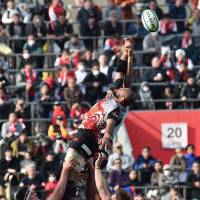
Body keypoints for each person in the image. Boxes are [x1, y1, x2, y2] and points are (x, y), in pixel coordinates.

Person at [64, 39, 134, 187]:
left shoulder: (118, 109)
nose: (119, 88)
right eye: (121, 88)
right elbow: (120, 72)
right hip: (90, 130)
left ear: (122, 98)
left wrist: (106, 137)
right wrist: (126, 52)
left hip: (99, 138)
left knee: (86, 171)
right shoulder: (114, 93)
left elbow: (110, 123)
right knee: (75, 170)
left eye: (122, 90)